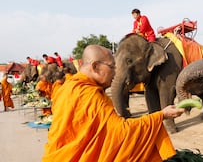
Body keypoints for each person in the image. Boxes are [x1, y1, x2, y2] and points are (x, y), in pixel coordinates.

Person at [42, 45, 185, 162]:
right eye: (112, 67)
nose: (115, 73)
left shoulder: (66, 88)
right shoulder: (88, 94)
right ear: (96, 66)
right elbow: (120, 133)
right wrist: (160, 116)